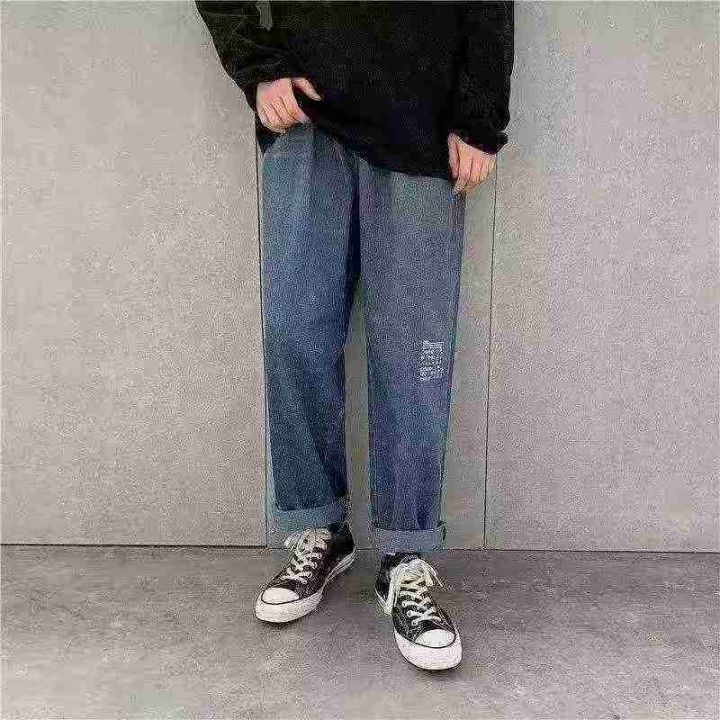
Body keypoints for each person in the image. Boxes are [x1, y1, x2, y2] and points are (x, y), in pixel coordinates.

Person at [196, 0, 514, 671]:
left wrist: (479, 114)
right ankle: (317, 526)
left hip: (420, 123)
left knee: (415, 357)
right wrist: (258, 67)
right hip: (308, 118)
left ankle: (405, 553)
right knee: (294, 334)